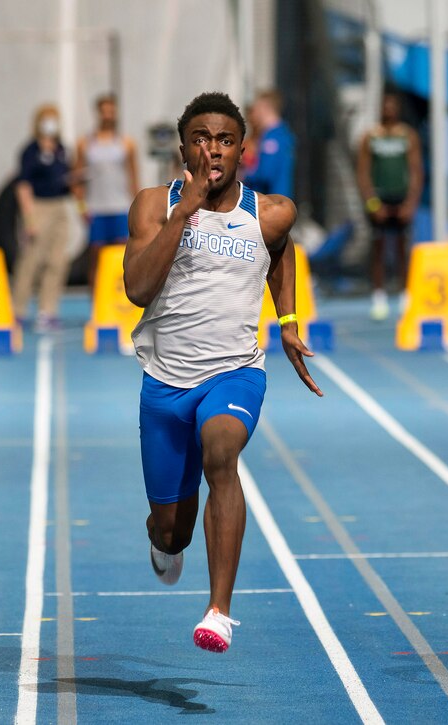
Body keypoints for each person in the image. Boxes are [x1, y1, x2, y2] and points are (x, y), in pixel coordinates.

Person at [124, 91, 322, 653]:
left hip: (234, 372)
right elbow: (137, 288)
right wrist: (183, 211)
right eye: (201, 139)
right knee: (171, 528)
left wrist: (286, 319)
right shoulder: (152, 204)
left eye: (225, 140)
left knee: (221, 454)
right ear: (184, 146)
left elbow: (277, 249)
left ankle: (219, 611)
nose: (213, 149)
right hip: (164, 382)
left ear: (242, 150)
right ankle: (164, 542)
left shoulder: (271, 211)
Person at [356, 89, 423, 320]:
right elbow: (363, 173)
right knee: (379, 248)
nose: (389, 110)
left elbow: (416, 171)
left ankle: (405, 294)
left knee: (403, 248)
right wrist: (373, 203)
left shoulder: (407, 136)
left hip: (401, 197)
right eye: (385, 105)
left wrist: (410, 203)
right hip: (380, 199)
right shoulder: (371, 137)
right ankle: (378, 296)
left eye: (393, 105)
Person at [11, 104, 73, 332]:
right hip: (37, 205)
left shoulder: (61, 149)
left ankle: (48, 310)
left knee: (57, 260)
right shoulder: (30, 150)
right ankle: (18, 309)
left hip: (59, 206)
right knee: (31, 259)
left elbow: (64, 177)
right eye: (46, 120)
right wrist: (29, 217)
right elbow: (23, 184)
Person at [73, 93, 140, 301]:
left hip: (120, 207)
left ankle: (122, 302)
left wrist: (137, 207)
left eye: (111, 110)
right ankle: (96, 304)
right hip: (97, 208)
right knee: (96, 259)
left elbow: (133, 178)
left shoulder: (126, 143)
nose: (108, 115)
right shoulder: (86, 143)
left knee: (123, 258)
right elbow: (77, 179)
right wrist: (82, 207)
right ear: (98, 113)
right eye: (104, 110)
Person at [242, 89, 295, 198]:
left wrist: (242, 176)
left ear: (264, 108)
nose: (254, 114)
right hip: (277, 201)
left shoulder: (273, 139)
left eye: (256, 109)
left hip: (271, 203)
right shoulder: (283, 134)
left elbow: (266, 174)